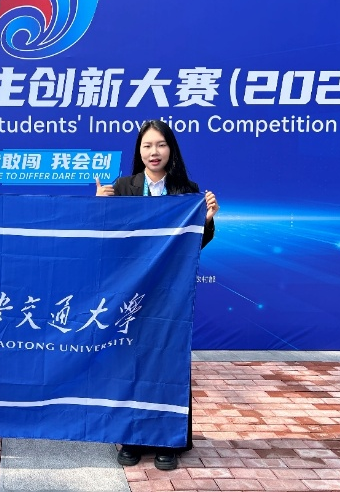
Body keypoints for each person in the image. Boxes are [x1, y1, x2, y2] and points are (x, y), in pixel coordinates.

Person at [95, 119, 219, 471]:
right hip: (131, 292)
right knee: (130, 361)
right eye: (147, 145)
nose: (154, 152)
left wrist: (207, 219)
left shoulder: (186, 191)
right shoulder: (123, 187)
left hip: (169, 293)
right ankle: (132, 437)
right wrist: (99, 208)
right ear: (139, 151)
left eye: (161, 145)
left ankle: (168, 440)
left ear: (171, 149)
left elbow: (194, 246)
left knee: (168, 360)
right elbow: (107, 240)